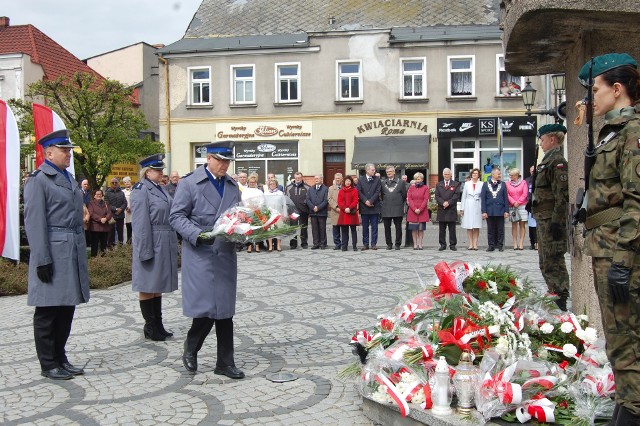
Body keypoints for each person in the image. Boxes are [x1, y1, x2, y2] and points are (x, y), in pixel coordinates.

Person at [578, 53, 640, 424]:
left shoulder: (632, 134)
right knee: (619, 341)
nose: (592, 99)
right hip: (608, 247)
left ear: (616, 90)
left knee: (627, 341)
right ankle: (626, 405)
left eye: (596, 90)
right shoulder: (613, 133)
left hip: (621, 252)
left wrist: (623, 258)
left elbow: (636, 200)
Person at [170, 140, 244, 379]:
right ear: (208, 158)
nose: (224, 165)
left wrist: (246, 233)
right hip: (201, 252)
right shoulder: (189, 183)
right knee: (205, 308)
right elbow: (176, 216)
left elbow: (238, 216)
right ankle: (191, 348)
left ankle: (225, 362)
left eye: (227, 161)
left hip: (224, 254)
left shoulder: (232, 187)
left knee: (224, 310)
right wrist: (196, 235)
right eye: (220, 160)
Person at [23, 129, 89, 380]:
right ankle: (48, 362)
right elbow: (34, 222)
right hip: (52, 251)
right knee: (48, 311)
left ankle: (60, 357)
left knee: (65, 310)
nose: (69, 154)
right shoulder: (39, 180)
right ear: (48, 153)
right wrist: (41, 259)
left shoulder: (66, 178)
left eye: (69, 150)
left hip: (70, 251)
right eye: (64, 150)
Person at [130, 154, 178, 341]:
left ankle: (158, 323)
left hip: (164, 239)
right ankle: (150, 326)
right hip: (151, 240)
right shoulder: (141, 190)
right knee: (147, 285)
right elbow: (140, 224)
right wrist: (144, 250)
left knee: (156, 285)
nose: (161, 173)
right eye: (158, 170)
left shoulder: (160, 189)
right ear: (147, 172)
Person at [531, 123, 569, 310]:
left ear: (552, 139)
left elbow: (562, 195)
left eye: (543, 139)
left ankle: (560, 295)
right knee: (545, 259)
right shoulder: (547, 160)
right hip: (543, 218)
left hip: (551, 219)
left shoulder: (557, 161)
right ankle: (553, 290)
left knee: (553, 258)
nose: (541, 143)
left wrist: (557, 221)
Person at [481, 168, 509, 251]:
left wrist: (506, 211)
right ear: (493, 175)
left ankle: (500, 245)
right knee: (490, 229)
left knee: (500, 229)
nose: (500, 175)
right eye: (498, 174)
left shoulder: (503, 184)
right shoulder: (485, 184)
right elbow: (483, 199)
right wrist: (484, 211)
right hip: (490, 211)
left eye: (500, 174)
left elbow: (506, 199)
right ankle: (491, 245)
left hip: (500, 210)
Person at [380, 166, 407, 250]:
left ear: (394, 172)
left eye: (390, 172)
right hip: (386, 208)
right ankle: (389, 244)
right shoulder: (383, 183)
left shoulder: (401, 182)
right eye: (387, 172)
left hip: (397, 207)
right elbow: (381, 195)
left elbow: (404, 195)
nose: (389, 173)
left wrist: (398, 202)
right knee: (387, 227)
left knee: (398, 227)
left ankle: (397, 244)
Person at [357, 163, 382, 250]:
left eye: (374, 170)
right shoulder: (360, 180)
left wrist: (371, 201)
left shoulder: (377, 179)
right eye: (373, 170)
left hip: (374, 206)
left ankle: (373, 243)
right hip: (364, 207)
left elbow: (378, 191)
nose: (374, 171)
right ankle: (365, 244)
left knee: (374, 227)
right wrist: (365, 201)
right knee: (365, 227)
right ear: (367, 170)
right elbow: (359, 192)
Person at [434, 168, 460, 251]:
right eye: (445, 174)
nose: (446, 176)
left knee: (452, 229)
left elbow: (456, 195)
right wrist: (443, 203)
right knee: (442, 229)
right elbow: (437, 196)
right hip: (442, 209)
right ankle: (442, 244)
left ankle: (452, 245)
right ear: (443, 175)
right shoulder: (439, 184)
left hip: (451, 209)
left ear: (451, 175)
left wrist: (448, 203)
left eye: (448, 174)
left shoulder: (455, 184)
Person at [460, 168, 483, 250]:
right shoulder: (467, 184)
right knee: (469, 225)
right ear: (471, 175)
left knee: (476, 225)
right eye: (473, 173)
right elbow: (463, 197)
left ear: (479, 175)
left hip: (477, 204)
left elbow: (483, 197)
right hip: (468, 205)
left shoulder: (482, 184)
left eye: (476, 173)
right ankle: (470, 243)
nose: (474, 175)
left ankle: (475, 243)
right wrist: (462, 208)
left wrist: (483, 210)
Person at [506, 168, 529, 250]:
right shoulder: (507, 184)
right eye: (510, 175)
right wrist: (513, 202)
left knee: (522, 225)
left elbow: (525, 193)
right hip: (512, 206)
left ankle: (521, 243)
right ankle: (515, 243)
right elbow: (507, 194)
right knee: (514, 224)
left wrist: (518, 202)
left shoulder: (523, 183)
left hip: (522, 206)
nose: (510, 176)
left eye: (512, 175)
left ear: (516, 175)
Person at [286, 172, 310, 249]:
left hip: (303, 211)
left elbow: (309, 199)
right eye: (296, 178)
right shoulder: (289, 187)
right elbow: (286, 199)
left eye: (299, 177)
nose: (297, 179)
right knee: (293, 228)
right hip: (293, 212)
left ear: (301, 177)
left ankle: (304, 243)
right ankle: (293, 244)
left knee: (303, 228)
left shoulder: (307, 187)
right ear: (294, 177)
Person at [406, 172, 429, 250]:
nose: (417, 181)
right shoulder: (411, 188)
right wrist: (414, 209)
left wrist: (420, 209)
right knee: (414, 228)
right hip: (413, 211)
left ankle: (420, 243)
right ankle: (415, 244)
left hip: (422, 211)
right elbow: (409, 199)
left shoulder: (426, 188)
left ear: (422, 179)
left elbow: (426, 199)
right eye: (416, 179)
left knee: (421, 228)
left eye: (419, 179)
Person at [242, 173, 264, 253]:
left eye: (253, 182)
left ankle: (257, 245)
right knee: (248, 229)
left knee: (257, 229)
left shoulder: (259, 191)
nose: (252, 183)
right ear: (248, 182)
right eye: (250, 182)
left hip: (257, 212)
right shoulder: (245, 191)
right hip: (248, 212)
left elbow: (262, 201)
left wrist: (257, 207)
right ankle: (249, 246)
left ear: (256, 182)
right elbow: (244, 200)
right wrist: (250, 206)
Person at [263, 178, 286, 252]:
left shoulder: (280, 193)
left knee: (279, 230)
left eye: (274, 184)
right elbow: (263, 205)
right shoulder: (266, 193)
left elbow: (284, 205)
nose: (272, 185)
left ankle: (278, 246)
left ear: (276, 185)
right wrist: (264, 215)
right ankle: (270, 246)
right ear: (268, 185)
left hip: (279, 214)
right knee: (270, 230)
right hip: (269, 214)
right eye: (270, 184)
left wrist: (284, 214)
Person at [306, 175, 328, 249]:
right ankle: (316, 243)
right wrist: (313, 207)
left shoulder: (325, 189)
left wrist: (318, 208)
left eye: (318, 178)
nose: (316, 180)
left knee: (322, 228)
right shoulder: (310, 189)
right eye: (315, 179)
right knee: (314, 229)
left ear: (321, 179)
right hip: (313, 212)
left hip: (322, 212)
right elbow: (308, 200)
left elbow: (325, 200)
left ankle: (323, 243)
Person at [88, 189, 112, 257]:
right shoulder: (91, 203)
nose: (99, 195)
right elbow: (91, 213)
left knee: (103, 246)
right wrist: (100, 219)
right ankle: (94, 259)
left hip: (105, 228)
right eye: (97, 194)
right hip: (95, 227)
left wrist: (106, 218)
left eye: (100, 194)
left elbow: (109, 213)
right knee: (94, 245)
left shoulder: (106, 203)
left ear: (102, 195)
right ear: (94, 196)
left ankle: (103, 260)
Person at [337, 176, 359, 251]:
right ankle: (344, 246)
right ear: (344, 182)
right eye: (346, 181)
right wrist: (345, 208)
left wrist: (349, 208)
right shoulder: (341, 191)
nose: (348, 182)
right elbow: (339, 201)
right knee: (344, 231)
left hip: (351, 212)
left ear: (351, 182)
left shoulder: (355, 190)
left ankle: (354, 245)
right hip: (344, 213)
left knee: (353, 230)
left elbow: (355, 200)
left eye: (349, 181)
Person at [104, 177, 127, 248]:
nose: (114, 184)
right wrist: (115, 209)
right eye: (113, 183)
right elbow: (106, 204)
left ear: (118, 183)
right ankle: (110, 247)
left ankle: (120, 247)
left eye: (116, 182)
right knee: (111, 233)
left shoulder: (122, 193)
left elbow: (125, 203)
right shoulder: (107, 193)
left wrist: (121, 209)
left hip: (120, 215)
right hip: (112, 215)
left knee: (120, 232)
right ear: (110, 184)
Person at [327, 173, 343, 250]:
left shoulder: (345, 188)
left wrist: (343, 208)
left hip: (343, 211)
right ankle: (337, 244)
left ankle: (344, 243)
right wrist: (336, 207)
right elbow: (329, 199)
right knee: (335, 229)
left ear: (342, 179)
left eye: (339, 178)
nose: (337, 179)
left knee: (344, 229)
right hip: (335, 211)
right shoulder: (330, 188)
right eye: (336, 178)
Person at [524, 165, 538, 250]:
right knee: (531, 225)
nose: (532, 172)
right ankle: (532, 242)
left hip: (537, 204)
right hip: (529, 205)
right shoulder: (527, 180)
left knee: (536, 225)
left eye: (534, 170)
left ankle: (537, 242)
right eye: (531, 171)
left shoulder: (538, 180)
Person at [122, 176, 133, 244]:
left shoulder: (134, 190)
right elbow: (122, 201)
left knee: (131, 226)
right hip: (125, 211)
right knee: (126, 226)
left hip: (132, 211)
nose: (127, 183)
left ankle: (131, 240)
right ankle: (127, 241)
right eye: (125, 182)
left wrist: (131, 208)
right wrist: (126, 207)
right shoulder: (122, 192)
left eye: (128, 181)